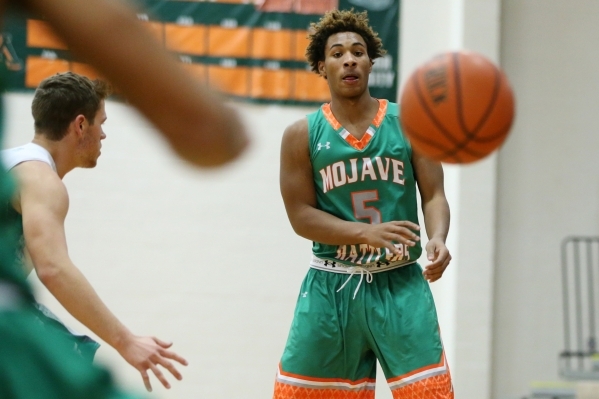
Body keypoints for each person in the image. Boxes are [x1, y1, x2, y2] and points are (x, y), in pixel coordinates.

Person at [0, 0, 249, 397]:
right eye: (102, 124)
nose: (104, 136)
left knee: (70, 348)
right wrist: (126, 340)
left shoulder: (17, 168)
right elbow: (53, 268)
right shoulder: (43, 182)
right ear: (80, 125)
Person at [273, 9, 453, 398]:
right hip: (331, 285)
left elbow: (435, 194)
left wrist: (438, 236)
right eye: (337, 53)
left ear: (372, 62)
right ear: (322, 66)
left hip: (401, 281)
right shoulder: (300, 135)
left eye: (358, 51)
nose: (349, 58)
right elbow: (300, 216)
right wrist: (364, 233)